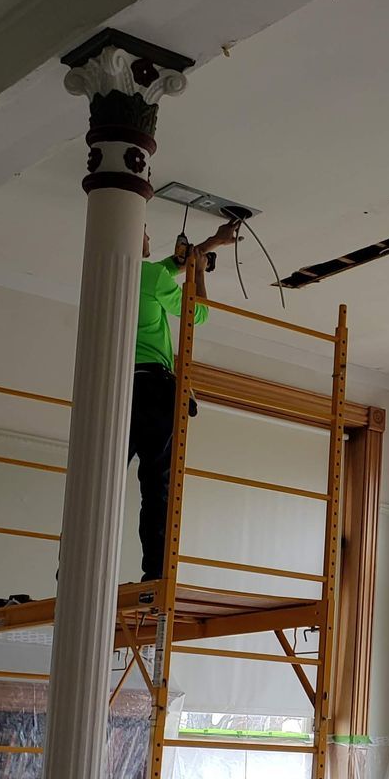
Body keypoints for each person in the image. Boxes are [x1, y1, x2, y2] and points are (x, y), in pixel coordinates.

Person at [131, 220, 239, 581]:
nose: (149, 235)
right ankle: (156, 572)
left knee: (99, 481)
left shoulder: (120, 274)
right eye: (145, 231)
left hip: (118, 389)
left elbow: (168, 267)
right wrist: (200, 275)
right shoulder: (149, 277)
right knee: (156, 486)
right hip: (153, 390)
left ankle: (67, 566)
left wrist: (212, 244)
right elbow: (199, 314)